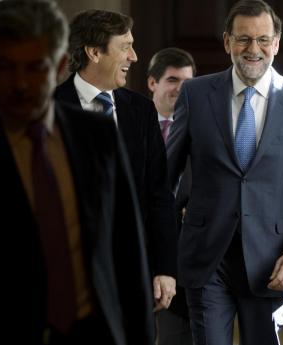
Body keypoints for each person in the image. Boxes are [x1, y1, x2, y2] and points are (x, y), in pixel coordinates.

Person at [0, 1, 155, 345]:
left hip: (95, 343)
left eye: (35, 68)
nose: (20, 84)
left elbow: (127, 258)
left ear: (59, 66)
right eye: (7, 67)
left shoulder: (98, 138)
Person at [166, 0, 283, 345]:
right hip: (207, 257)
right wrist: (163, 252)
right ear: (227, 42)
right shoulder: (195, 95)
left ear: (277, 43)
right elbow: (167, 179)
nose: (253, 49)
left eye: (263, 39)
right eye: (243, 39)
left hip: (272, 261)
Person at [54, 10, 178, 314]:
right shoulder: (49, 112)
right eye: (125, 46)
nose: (134, 56)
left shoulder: (141, 111)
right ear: (94, 52)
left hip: (137, 276)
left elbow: (159, 195)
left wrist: (164, 267)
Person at [146, 47, 196, 345]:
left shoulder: (202, 129)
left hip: (182, 253)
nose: (180, 88)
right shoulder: (130, 122)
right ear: (153, 83)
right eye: (172, 79)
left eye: (187, 82)